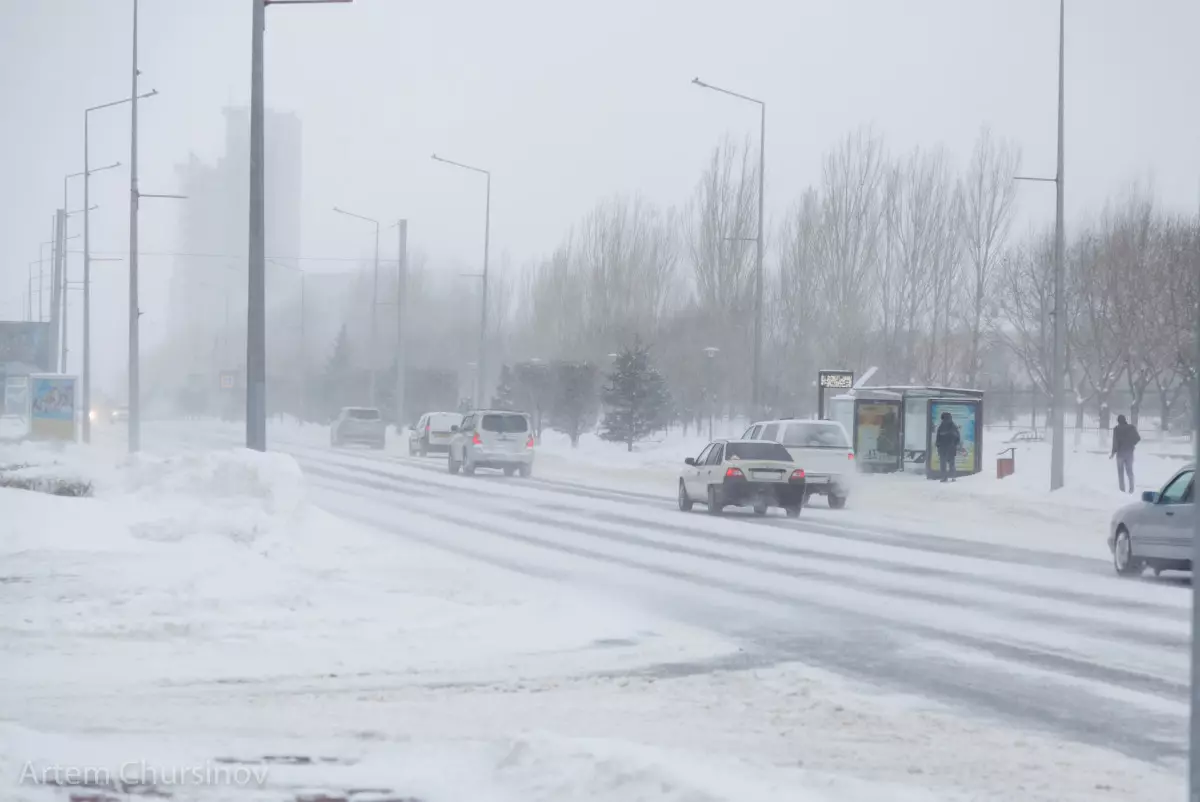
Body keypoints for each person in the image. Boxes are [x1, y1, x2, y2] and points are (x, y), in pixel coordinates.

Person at [1110, 414, 1141, 494]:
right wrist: (1131, 444)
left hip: (1120, 453)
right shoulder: (1131, 428)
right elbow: (1138, 438)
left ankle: (1122, 489)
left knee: (1120, 472)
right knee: (1130, 471)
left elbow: (1115, 442)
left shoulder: (1116, 429)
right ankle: (1131, 489)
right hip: (1129, 453)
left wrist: (1113, 452)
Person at [934, 411, 961, 483]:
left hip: (943, 448)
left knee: (943, 463)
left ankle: (944, 477)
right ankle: (953, 476)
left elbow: (938, 438)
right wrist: (955, 444)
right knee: (951, 462)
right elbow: (957, 437)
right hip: (951, 448)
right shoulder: (953, 426)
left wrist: (938, 445)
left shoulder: (941, 426)